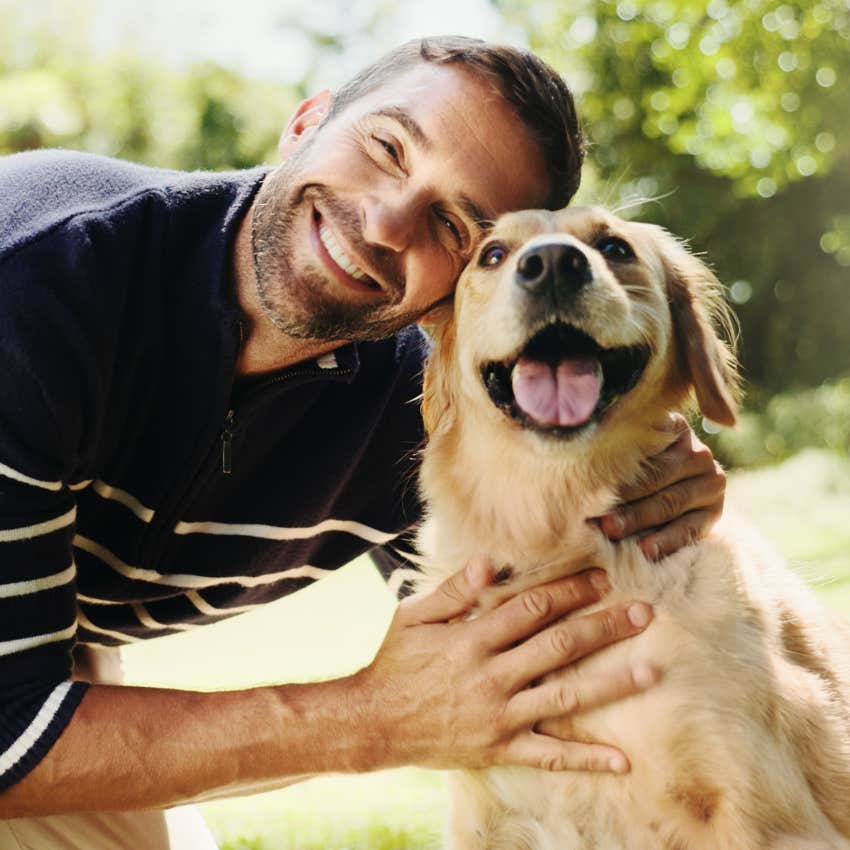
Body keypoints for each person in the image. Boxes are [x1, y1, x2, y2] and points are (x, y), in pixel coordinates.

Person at [0, 36, 725, 848]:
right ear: (308, 120)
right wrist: (369, 720)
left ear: (460, 294)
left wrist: (635, 484)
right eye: (385, 147)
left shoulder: (426, 399)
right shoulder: (35, 291)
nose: (385, 222)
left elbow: (512, 626)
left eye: (454, 225)